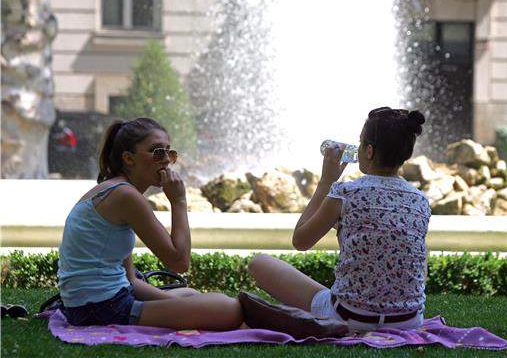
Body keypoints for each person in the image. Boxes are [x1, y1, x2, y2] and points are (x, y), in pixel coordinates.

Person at [248, 107, 431, 332]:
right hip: (408, 322)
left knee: (260, 264)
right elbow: (420, 269)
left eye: (360, 143)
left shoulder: (346, 193)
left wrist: (326, 181)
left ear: (369, 151)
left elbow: (301, 240)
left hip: (349, 318)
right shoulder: (420, 201)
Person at [57, 118, 243, 330]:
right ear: (129, 158)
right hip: (101, 308)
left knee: (193, 295)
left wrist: (182, 306)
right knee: (229, 310)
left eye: (169, 152)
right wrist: (179, 201)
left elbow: (131, 281)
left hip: (91, 304)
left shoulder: (117, 190)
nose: (166, 160)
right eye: (156, 152)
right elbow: (179, 262)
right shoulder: (125, 195)